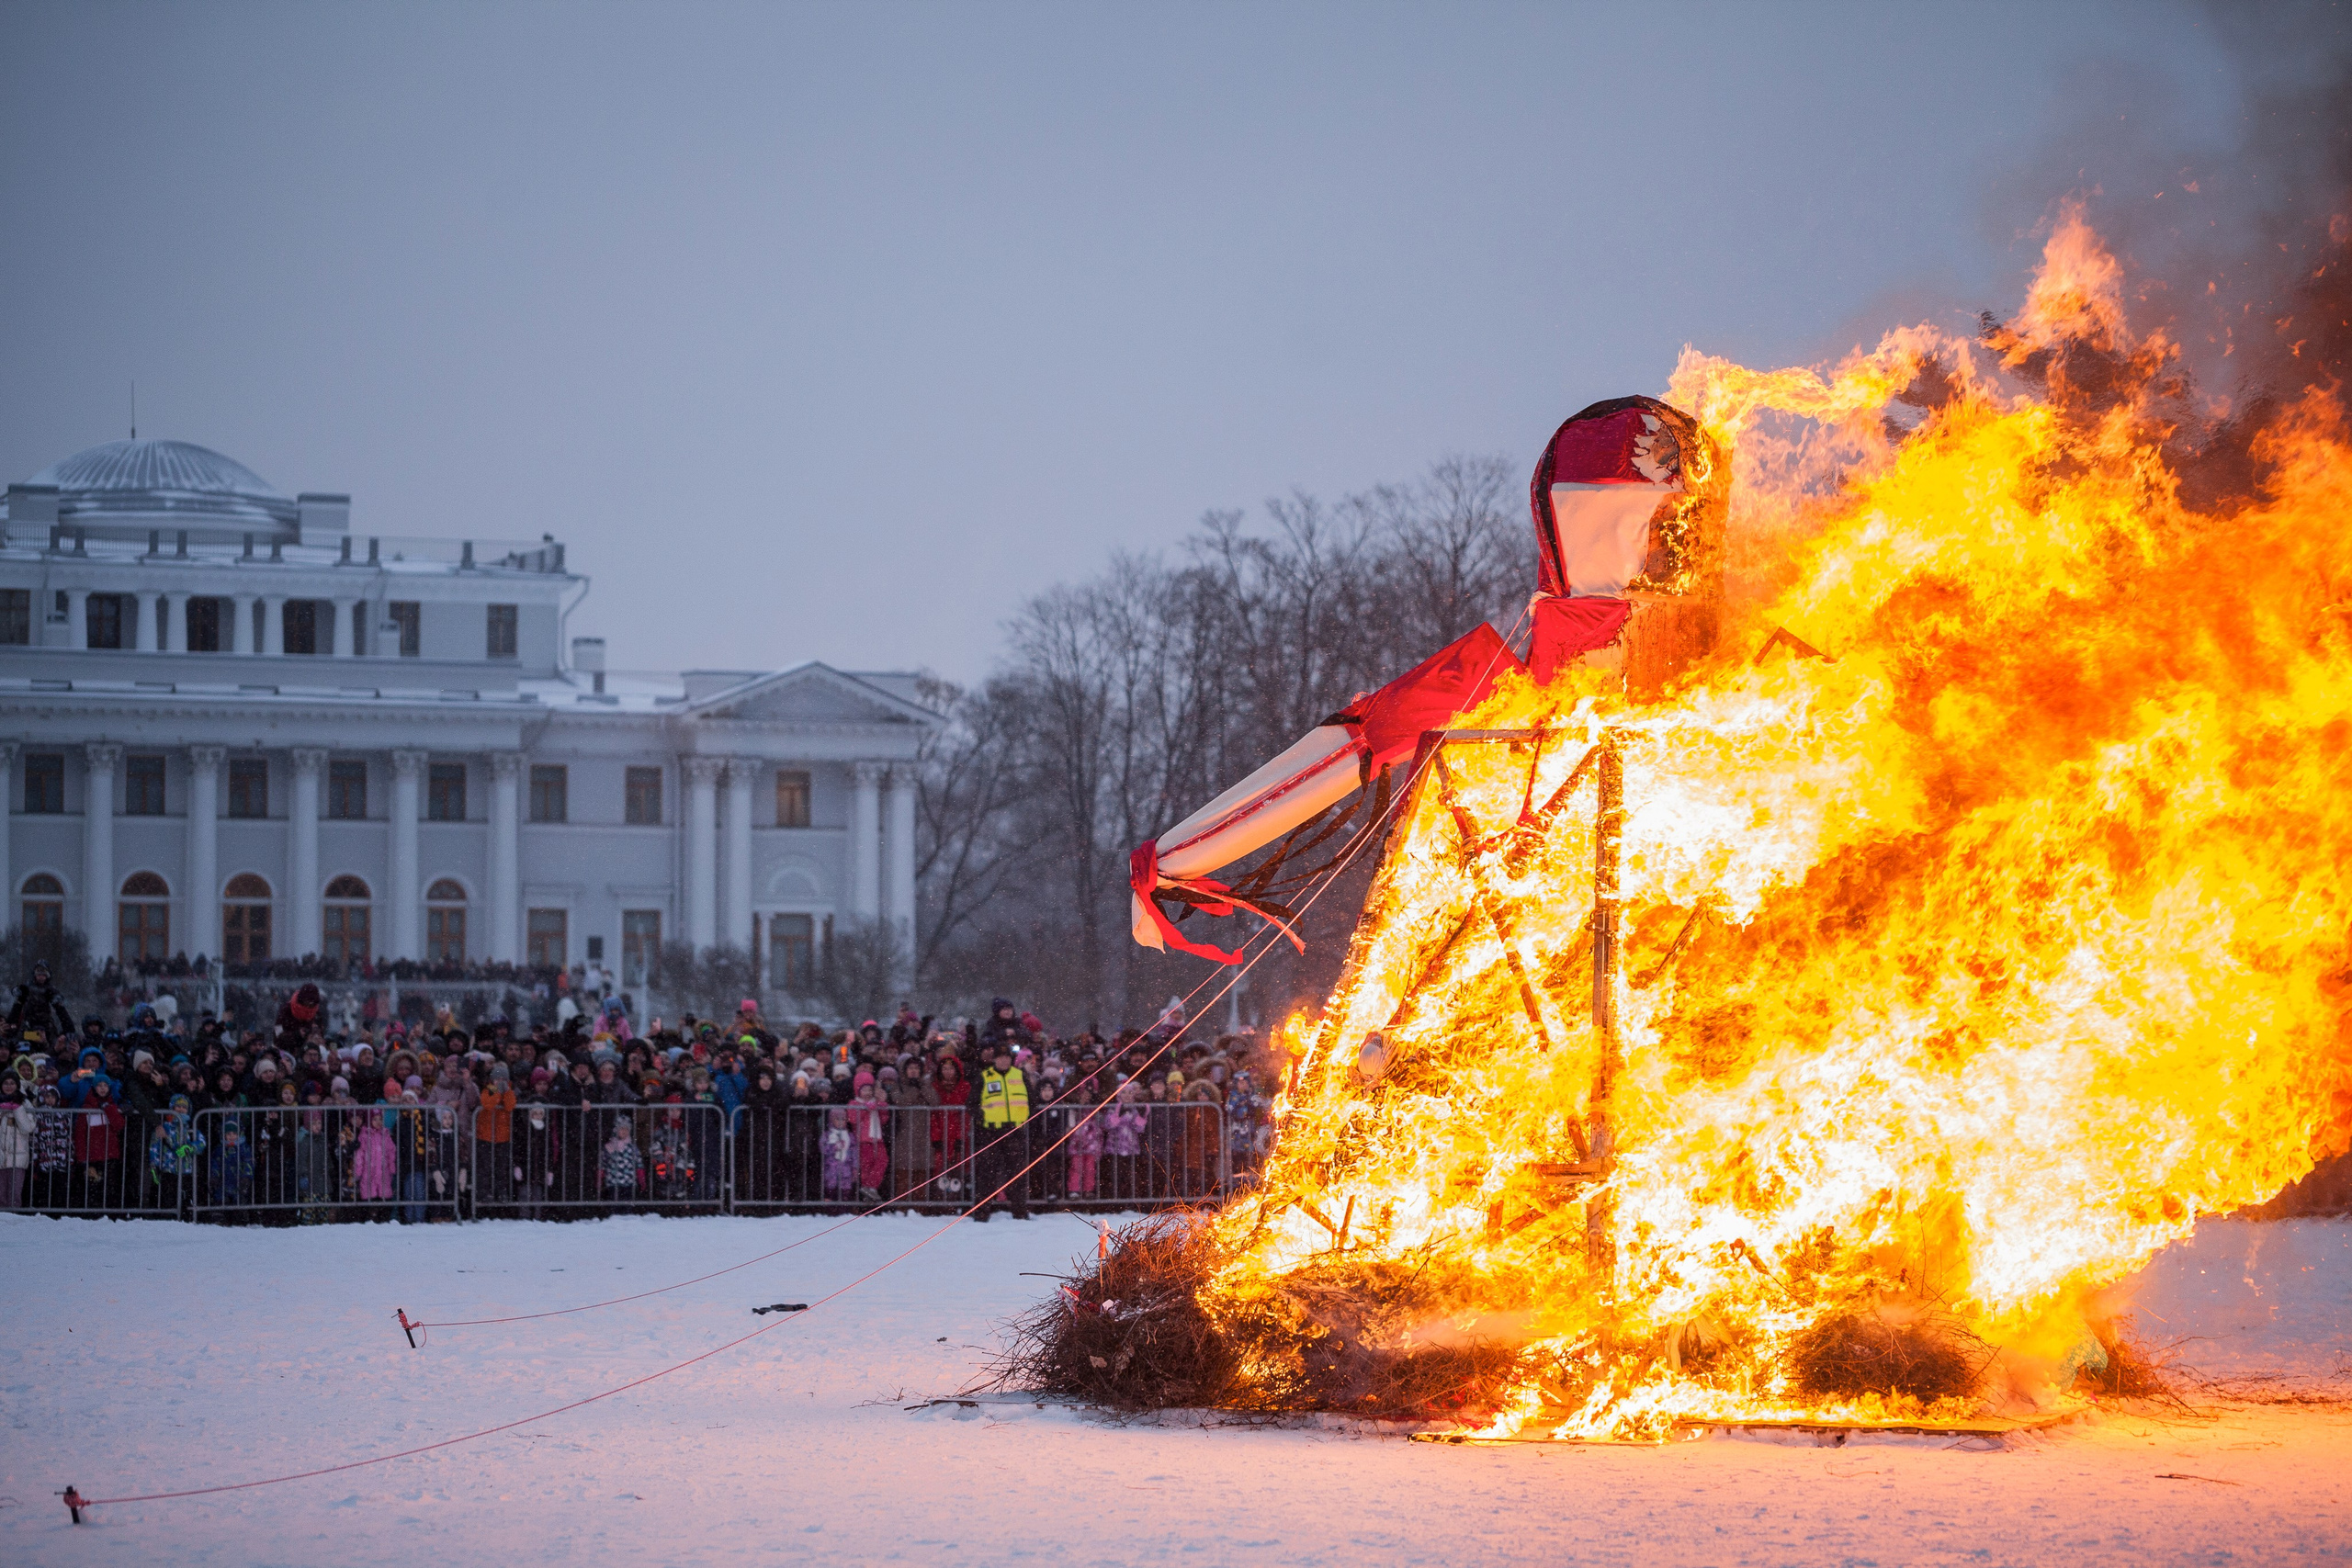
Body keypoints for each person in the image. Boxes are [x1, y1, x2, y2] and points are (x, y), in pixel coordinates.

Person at [968, 1043, 1031, 1222]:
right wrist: (982, 1119)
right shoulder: (984, 1076)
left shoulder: (1020, 1075)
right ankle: (981, 1213)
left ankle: (1020, 1212)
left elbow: (1032, 1100)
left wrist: (1026, 1117)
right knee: (986, 1174)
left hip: (1015, 1131)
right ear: (994, 1059)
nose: (1004, 1060)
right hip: (990, 1132)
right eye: (1000, 1057)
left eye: (1007, 1057)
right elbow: (972, 1103)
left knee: (1017, 1175)